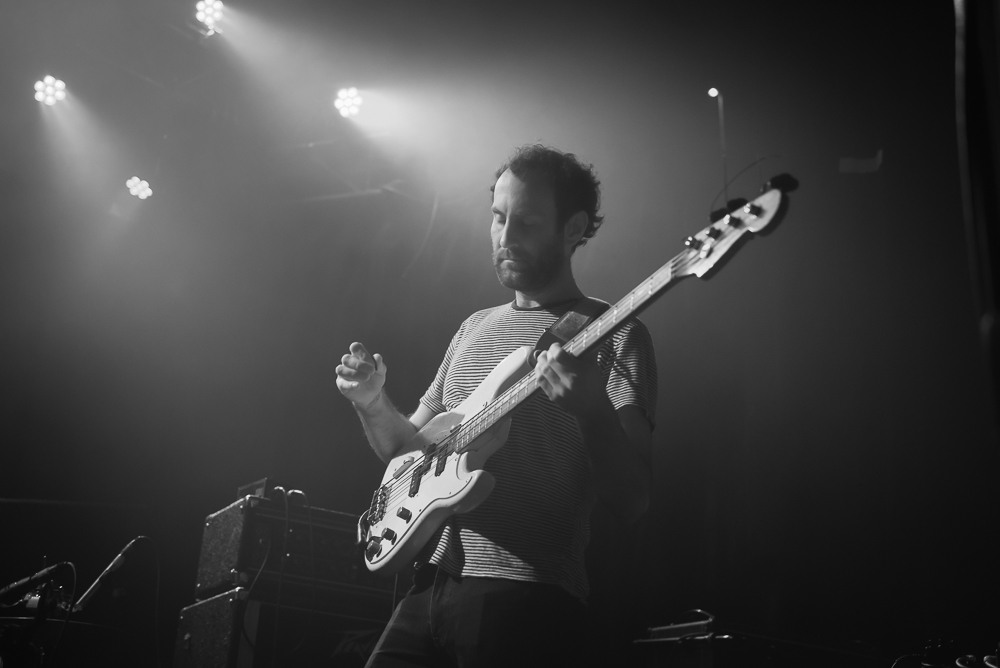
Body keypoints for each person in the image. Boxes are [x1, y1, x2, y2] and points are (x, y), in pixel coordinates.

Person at [336, 144, 658, 667]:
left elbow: (634, 501)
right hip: (429, 586)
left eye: (526, 222)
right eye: (498, 217)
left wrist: (593, 410)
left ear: (574, 228)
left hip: (525, 594)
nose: (505, 237)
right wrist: (372, 403)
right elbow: (406, 452)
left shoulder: (614, 335)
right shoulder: (474, 329)